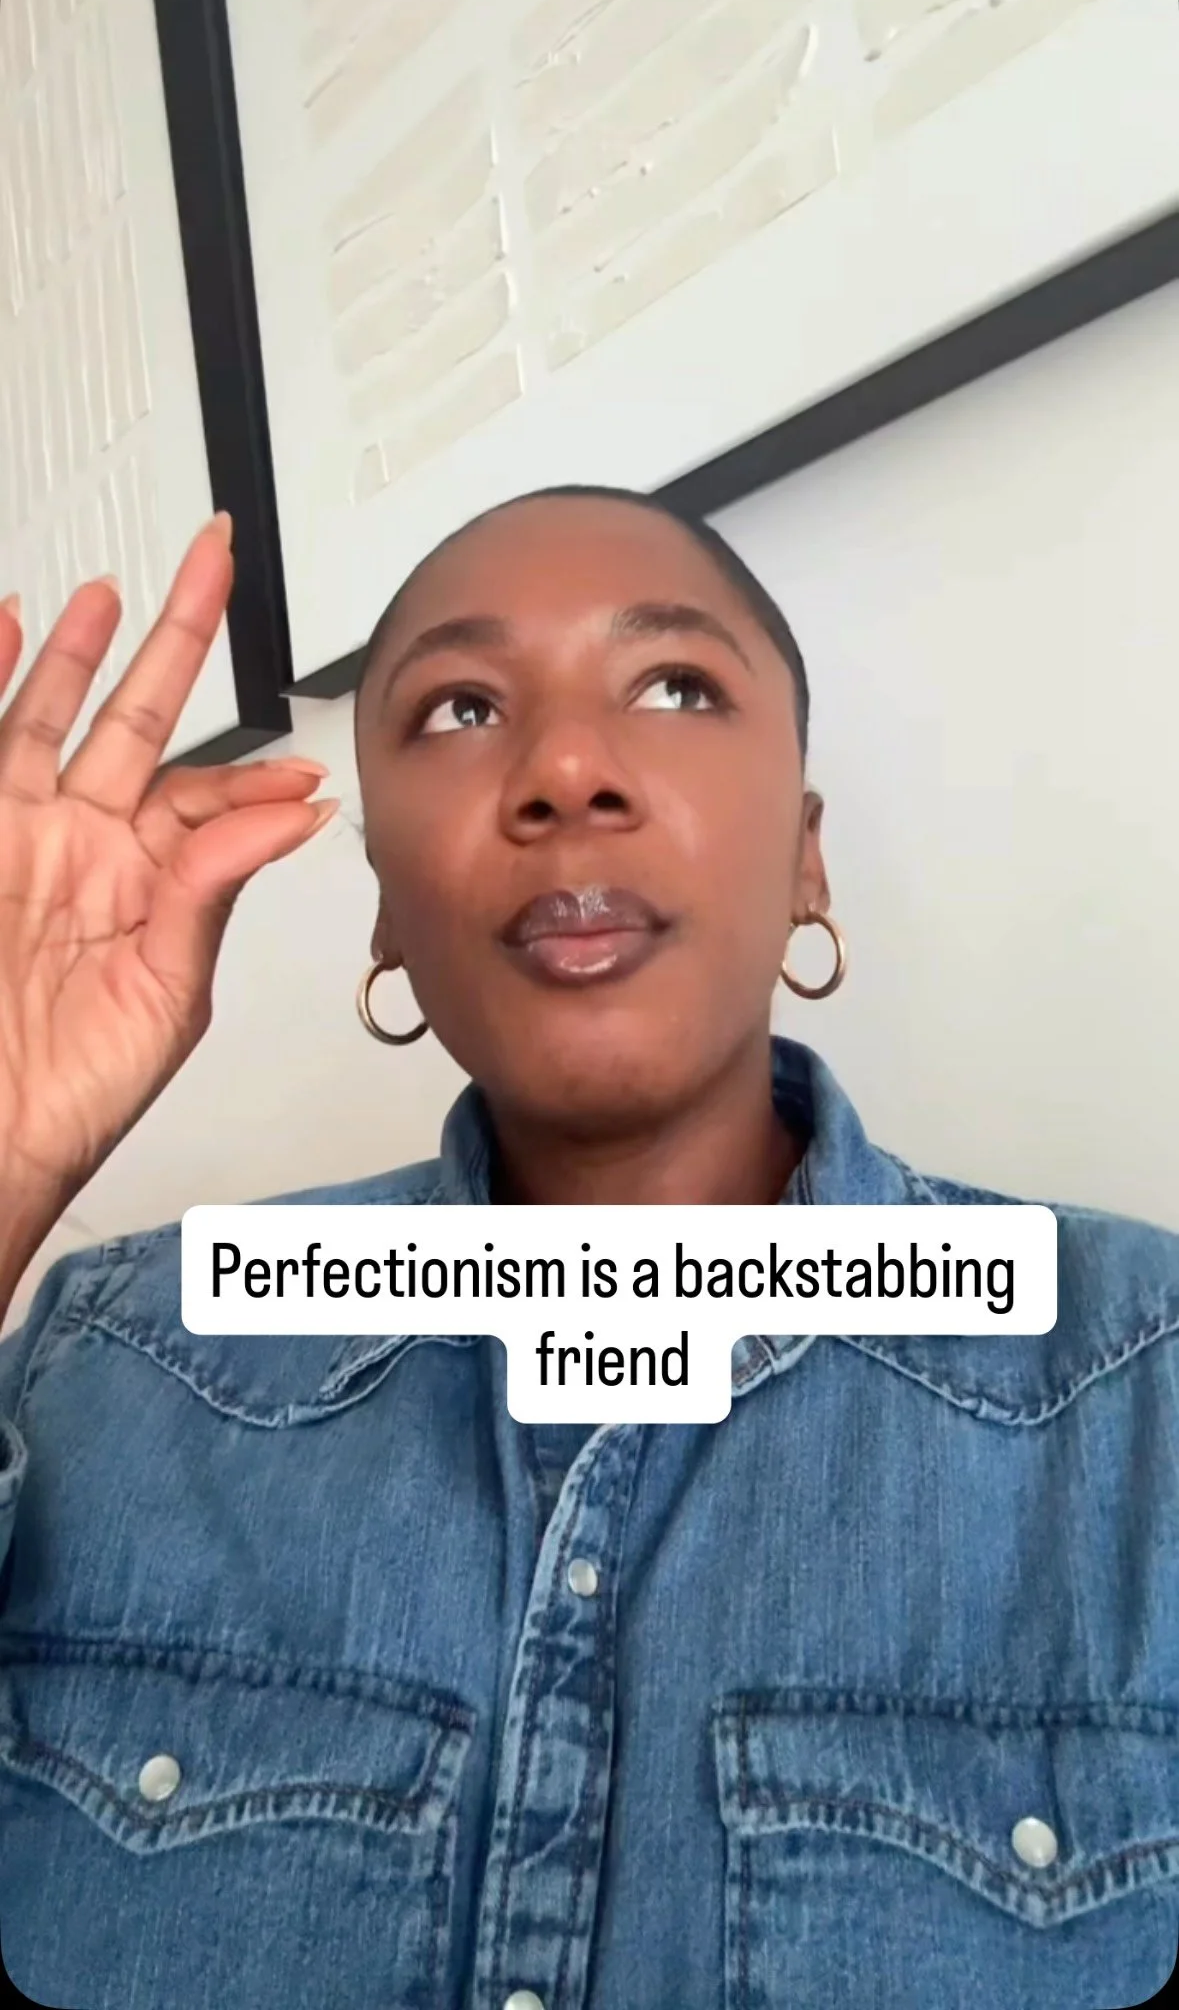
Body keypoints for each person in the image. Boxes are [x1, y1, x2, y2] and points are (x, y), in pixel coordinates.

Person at [0, 488, 1176, 2010]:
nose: (565, 771)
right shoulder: (107, 1367)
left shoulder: (1141, 1385)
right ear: (385, 914)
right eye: (461, 708)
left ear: (806, 859)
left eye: (674, 686)